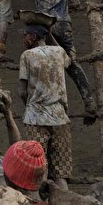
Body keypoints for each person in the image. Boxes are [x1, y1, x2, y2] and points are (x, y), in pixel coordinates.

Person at [10, 0, 95, 120]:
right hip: (64, 23)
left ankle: (41, 103)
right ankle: (89, 101)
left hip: (46, 25)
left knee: (40, 59)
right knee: (72, 63)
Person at [17, 25, 72, 188]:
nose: (24, 39)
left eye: (25, 35)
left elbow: (21, 90)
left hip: (36, 119)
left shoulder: (27, 55)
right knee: (61, 174)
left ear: (33, 37)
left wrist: (29, 106)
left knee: (39, 169)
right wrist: (49, 35)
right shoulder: (59, 52)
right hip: (60, 119)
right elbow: (69, 61)